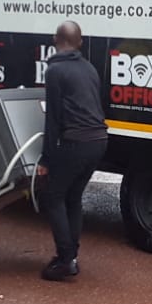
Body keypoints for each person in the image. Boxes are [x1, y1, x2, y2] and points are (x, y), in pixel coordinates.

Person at [36, 21, 108, 281]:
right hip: (99, 140)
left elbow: (53, 119)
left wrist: (46, 158)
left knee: (53, 196)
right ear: (80, 42)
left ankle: (66, 259)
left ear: (55, 39)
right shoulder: (88, 68)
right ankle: (71, 255)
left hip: (76, 141)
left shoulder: (55, 71)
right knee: (73, 196)